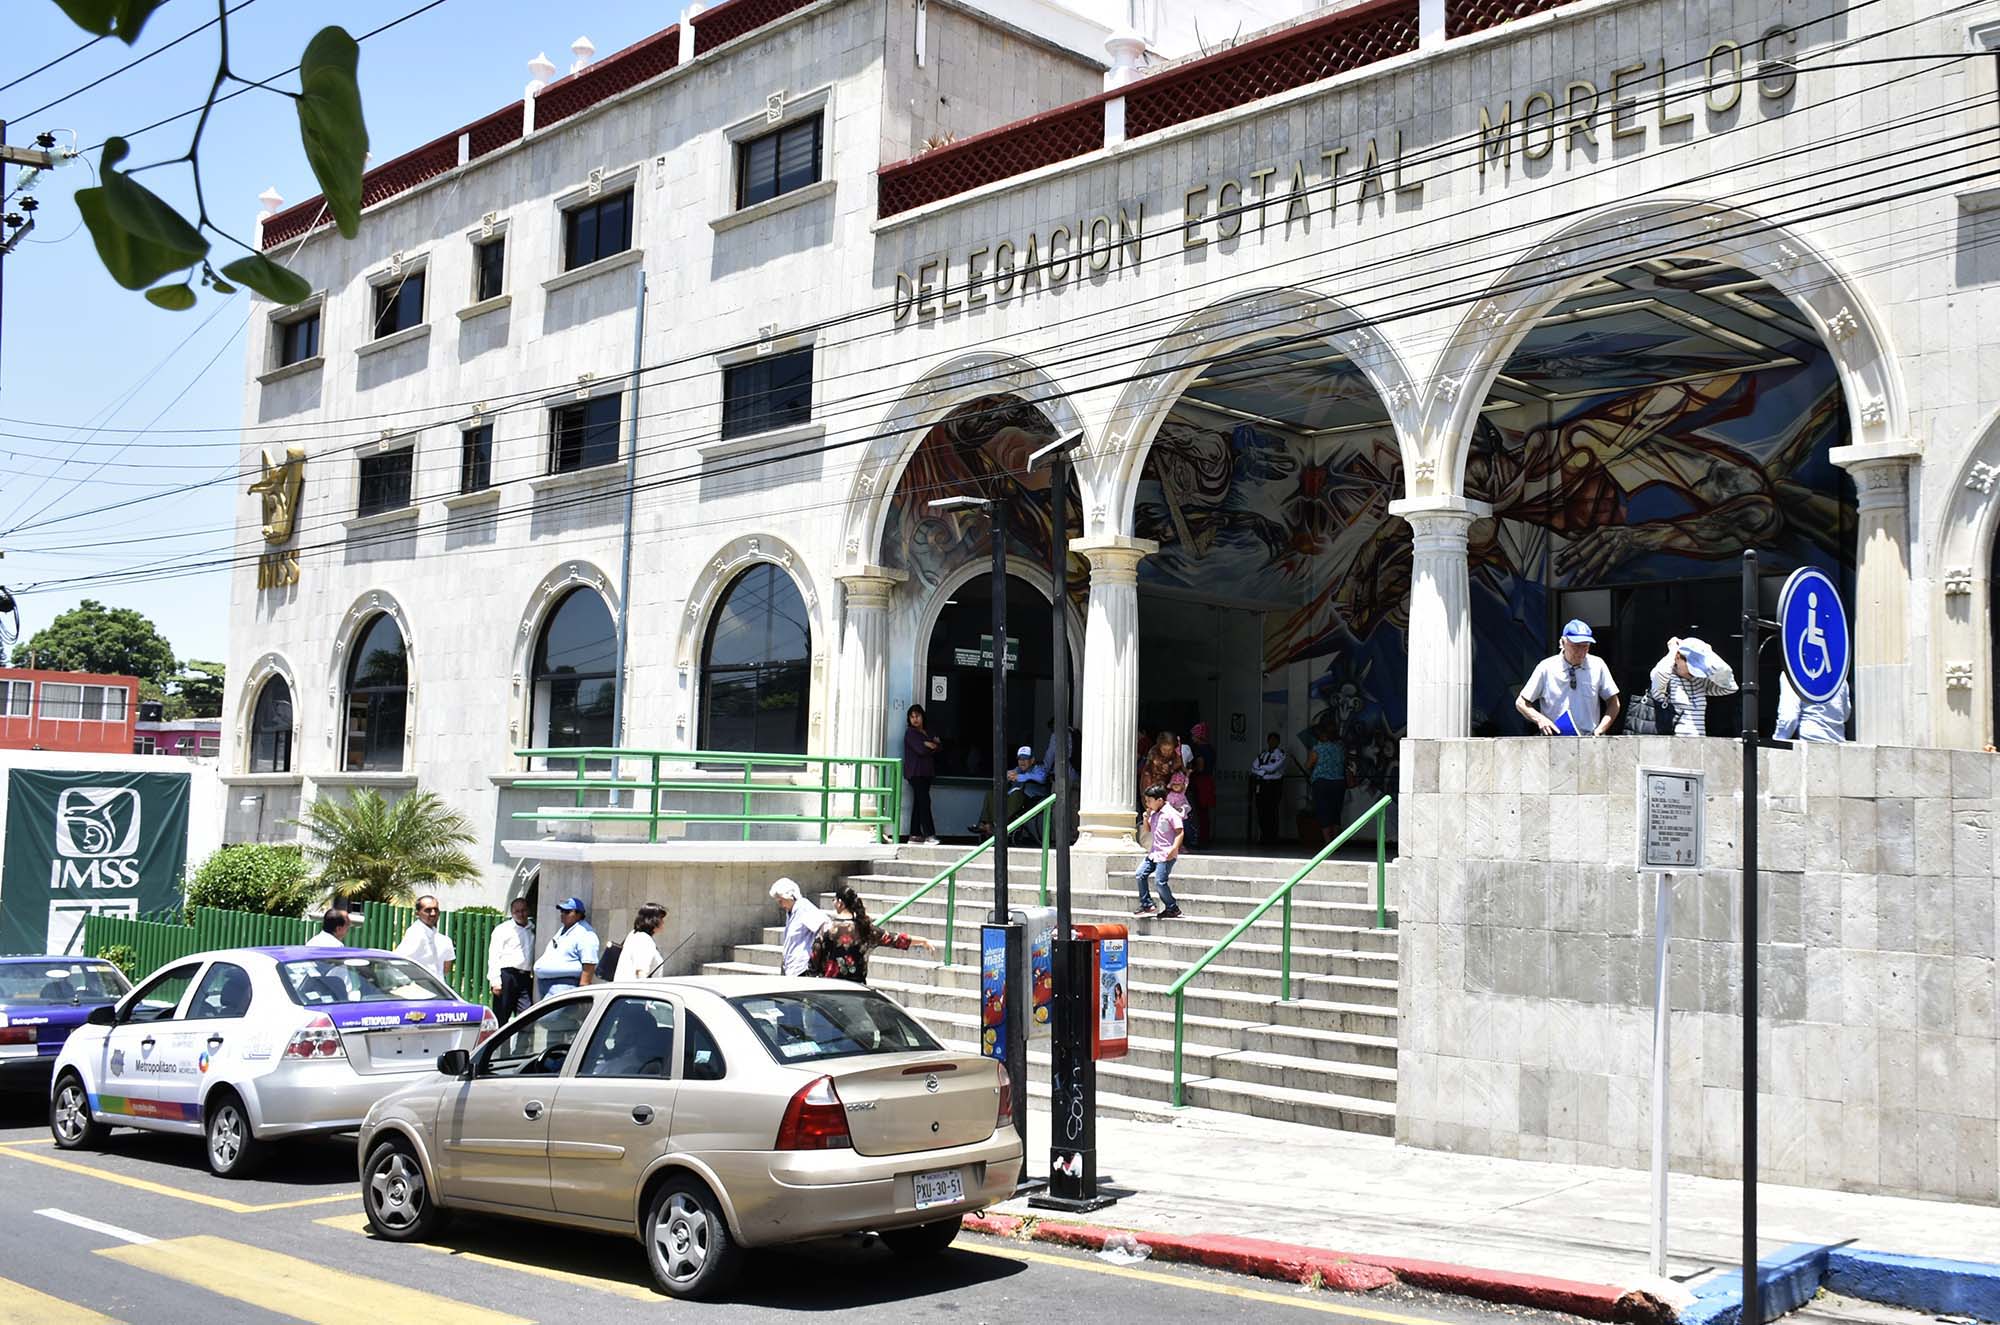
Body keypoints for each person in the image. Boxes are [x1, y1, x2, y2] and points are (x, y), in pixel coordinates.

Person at [809, 883, 935, 983]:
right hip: (857, 988)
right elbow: (895, 939)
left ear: (840, 903)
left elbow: (815, 956)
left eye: (834, 900)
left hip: (831, 987)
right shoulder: (865, 929)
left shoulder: (827, 928)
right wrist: (923, 940)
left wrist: (815, 974)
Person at [1517, 618, 1622, 736]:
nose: (1581, 653)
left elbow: (1614, 703)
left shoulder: (1597, 665)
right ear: (1563, 643)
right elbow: (1521, 702)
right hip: (1554, 739)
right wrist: (1540, 719)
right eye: (1576, 646)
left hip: (1589, 739)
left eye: (1585, 647)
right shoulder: (1546, 667)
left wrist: (1600, 729)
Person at [1648, 636, 1738, 736]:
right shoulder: (1666, 680)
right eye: (1690, 667)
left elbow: (1730, 687)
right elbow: (1659, 672)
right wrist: (1673, 650)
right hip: (1671, 745)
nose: (1693, 673)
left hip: (1698, 744)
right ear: (1677, 657)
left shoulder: (1700, 681)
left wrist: (1709, 655)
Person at [1133, 784, 1184, 919]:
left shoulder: (1171, 813)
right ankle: (1147, 903)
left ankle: (1172, 907)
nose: (1147, 803)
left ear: (1159, 800)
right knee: (1140, 874)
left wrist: (1174, 849)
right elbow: (1148, 829)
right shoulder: (1154, 813)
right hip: (1154, 853)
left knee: (1160, 882)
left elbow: (1180, 832)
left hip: (1166, 854)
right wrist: (1146, 817)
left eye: (1149, 800)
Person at [533, 896, 599, 999]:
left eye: (567, 912)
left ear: (579, 914)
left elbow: (589, 963)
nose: (563, 914)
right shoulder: (565, 929)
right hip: (548, 986)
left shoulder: (585, 933)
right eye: (562, 911)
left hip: (564, 986)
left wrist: (582, 993)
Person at [976, 746, 1048, 838]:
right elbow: (1007, 774)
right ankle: (986, 823)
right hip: (1013, 799)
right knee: (992, 794)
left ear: (1032, 760)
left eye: (1025, 759)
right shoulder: (1018, 769)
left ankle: (997, 825)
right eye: (1020, 759)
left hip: (1030, 801)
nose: (1022, 762)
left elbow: (1041, 778)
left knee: (1016, 793)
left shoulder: (1038, 769)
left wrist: (1020, 777)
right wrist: (1006, 775)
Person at [770, 877, 831, 977]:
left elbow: (825, 925)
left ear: (789, 896)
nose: (780, 905)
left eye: (781, 901)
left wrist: (816, 949)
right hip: (792, 968)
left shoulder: (803, 907)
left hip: (802, 968)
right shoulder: (791, 912)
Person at [486, 896, 535, 1019]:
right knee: (502, 1015)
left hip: (525, 977)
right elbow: (494, 956)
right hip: (507, 976)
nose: (521, 914)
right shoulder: (503, 930)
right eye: (517, 911)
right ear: (512, 913)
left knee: (526, 1016)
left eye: (523, 910)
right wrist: (495, 981)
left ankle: (522, 1039)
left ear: (528, 911)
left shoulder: (533, 929)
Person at [903, 704, 942, 845]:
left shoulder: (927, 732)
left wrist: (930, 744)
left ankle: (914, 834)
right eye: (912, 717)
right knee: (925, 802)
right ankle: (929, 834)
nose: (915, 719)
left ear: (922, 717)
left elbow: (939, 746)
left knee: (919, 803)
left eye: (917, 716)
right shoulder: (910, 733)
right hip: (916, 773)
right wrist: (930, 745)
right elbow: (920, 750)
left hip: (926, 773)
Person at [1775, 672, 1850, 742]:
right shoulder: (1839, 675)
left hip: (1808, 745)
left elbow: (1789, 718)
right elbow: (1845, 714)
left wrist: (1778, 742)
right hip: (1837, 744)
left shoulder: (1793, 672)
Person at [1306, 719, 1348, 844]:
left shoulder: (1318, 748)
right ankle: (1336, 842)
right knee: (1336, 813)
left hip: (1322, 783)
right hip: (1339, 783)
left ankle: (1328, 842)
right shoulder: (1340, 748)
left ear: (1322, 735)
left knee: (1324, 811)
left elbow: (1309, 765)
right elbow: (1344, 763)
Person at [395, 895, 456, 981]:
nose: (433, 913)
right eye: (428, 910)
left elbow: (446, 969)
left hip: (437, 988)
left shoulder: (445, 941)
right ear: (417, 913)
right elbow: (399, 961)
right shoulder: (415, 934)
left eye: (436, 909)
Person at [1251, 732, 1289, 846]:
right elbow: (1253, 767)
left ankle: (1272, 837)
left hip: (1274, 785)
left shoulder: (1281, 754)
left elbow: (1274, 768)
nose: (1272, 742)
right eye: (1270, 740)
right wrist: (1263, 771)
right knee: (1261, 811)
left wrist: (1261, 770)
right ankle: (1264, 836)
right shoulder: (1263, 754)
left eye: (1274, 740)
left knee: (1272, 811)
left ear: (1278, 742)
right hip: (1262, 785)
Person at [615, 902, 669, 980]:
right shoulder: (644, 940)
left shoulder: (634, 934)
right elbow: (641, 971)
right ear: (652, 920)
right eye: (661, 918)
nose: (663, 922)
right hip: (637, 990)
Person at [1187, 721, 1218, 849]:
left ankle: (1201, 839)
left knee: (1200, 812)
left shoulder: (1199, 749)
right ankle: (1204, 837)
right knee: (1204, 813)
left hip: (1201, 782)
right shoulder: (1210, 748)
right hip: (1208, 781)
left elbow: (1200, 767)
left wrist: (1189, 771)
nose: (1192, 737)